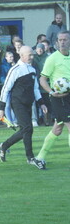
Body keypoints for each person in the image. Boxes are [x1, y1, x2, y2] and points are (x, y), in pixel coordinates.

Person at [0, 46, 47, 169]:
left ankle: (4, 146)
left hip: (28, 103)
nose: (32, 56)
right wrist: (1, 107)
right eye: (29, 55)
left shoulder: (32, 69)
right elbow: (5, 88)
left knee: (27, 129)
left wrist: (41, 103)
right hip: (17, 103)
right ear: (22, 55)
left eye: (32, 54)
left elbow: (35, 88)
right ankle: (30, 157)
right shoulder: (15, 70)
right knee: (27, 128)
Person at [35, 30, 70, 165]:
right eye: (60, 40)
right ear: (56, 42)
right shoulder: (52, 58)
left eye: (65, 39)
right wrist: (51, 92)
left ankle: (39, 157)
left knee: (57, 129)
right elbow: (42, 79)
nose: (62, 42)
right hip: (58, 97)